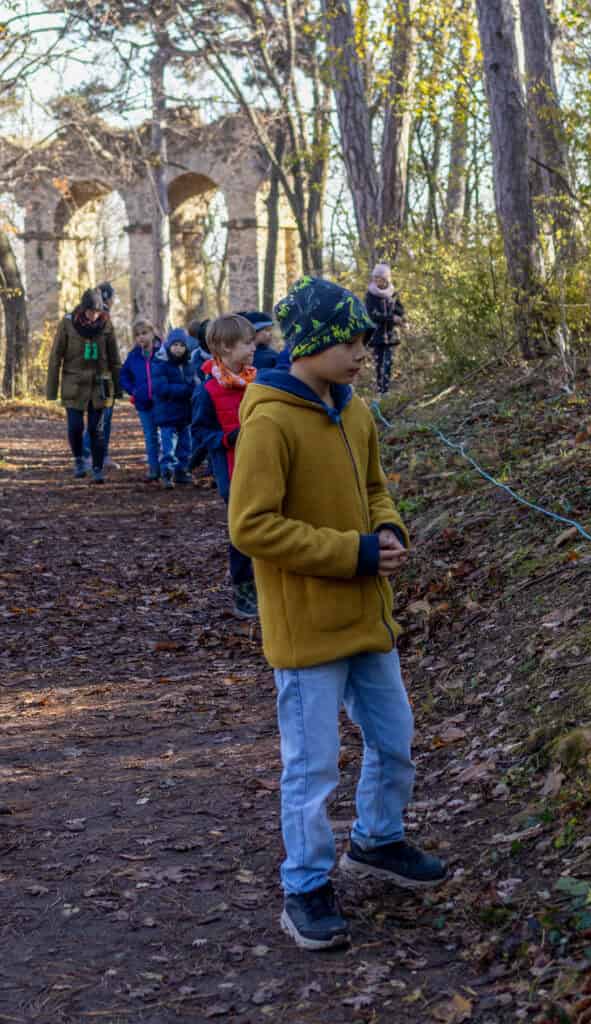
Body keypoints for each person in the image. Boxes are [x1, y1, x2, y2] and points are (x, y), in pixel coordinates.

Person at [229, 276, 447, 951]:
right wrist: (354, 553)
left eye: (364, 342)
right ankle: (304, 886)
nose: (361, 354)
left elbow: (376, 489)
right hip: (307, 629)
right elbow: (251, 526)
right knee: (313, 765)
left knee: (394, 738)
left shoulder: (355, 413)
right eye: (350, 343)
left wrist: (388, 529)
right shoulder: (269, 421)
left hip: (367, 619)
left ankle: (378, 840)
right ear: (312, 344)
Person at [191, 314, 259, 618]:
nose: (254, 348)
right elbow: (200, 432)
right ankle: (244, 592)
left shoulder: (259, 382)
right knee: (242, 532)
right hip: (232, 472)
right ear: (226, 347)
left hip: (266, 466)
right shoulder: (208, 391)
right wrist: (226, 438)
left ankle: (272, 584)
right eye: (248, 343)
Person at [46, 287, 122, 484]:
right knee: (75, 427)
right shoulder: (68, 323)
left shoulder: (106, 324)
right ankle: (79, 459)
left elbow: (114, 359)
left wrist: (118, 388)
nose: (94, 315)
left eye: (97, 311)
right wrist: (51, 390)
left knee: (97, 430)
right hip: (74, 384)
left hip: (99, 385)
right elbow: (55, 357)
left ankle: (97, 468)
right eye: (90, 311)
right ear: (82, 308)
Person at [119, 317, 163, 483]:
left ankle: (170, 468)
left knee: (167, 436)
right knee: (150, 436)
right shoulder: (133, 356)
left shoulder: (162, 353)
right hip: (143, 404)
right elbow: (124, 376)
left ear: (152, 333)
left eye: (144, 333)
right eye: (137, 335)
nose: (141, 337)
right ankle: (154, 469)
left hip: (162, 401)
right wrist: (133, 391)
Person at [152, 329, 196, 489]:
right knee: (168, 447)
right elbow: (162, 389)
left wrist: (194, 388)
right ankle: (167, 473)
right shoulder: (160, 364)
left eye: (182, 345)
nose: (178, 348)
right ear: (168, 346)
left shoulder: (188, 365)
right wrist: (186, 390)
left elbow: (194, 384)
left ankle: (181, 471)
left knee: (185, 445)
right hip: (167, 415)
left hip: (184, 414)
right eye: (175, 345)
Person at [84, 282, 119, 470]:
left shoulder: (96, 316)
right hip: (101, 375)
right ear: (108, 297)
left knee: (100, 417)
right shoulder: (100, 318)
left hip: (99, 374)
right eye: (113, 297)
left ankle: (96, 454)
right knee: (101, 418)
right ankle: (93, 455)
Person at [364, 263, 405, 396]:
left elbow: (400, 309)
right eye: (375, 277)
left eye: (379, 278)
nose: (376, 280)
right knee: (379, 363)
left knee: (388, 363)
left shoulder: (393, 293)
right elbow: (373, 315)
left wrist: (400, 317)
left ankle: (385, 390)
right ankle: (380, 390)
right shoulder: (370, 295)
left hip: (390, 335)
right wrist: (391, 318)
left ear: (386, 279)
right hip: (376, 335)